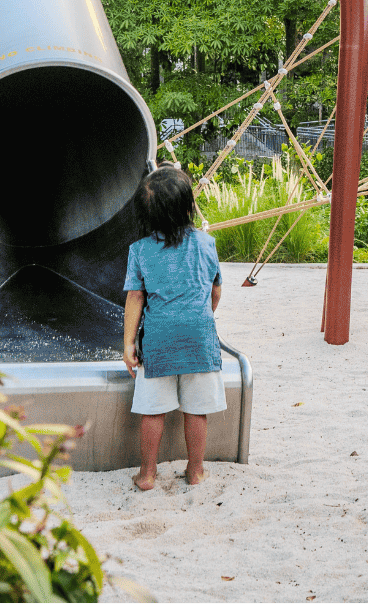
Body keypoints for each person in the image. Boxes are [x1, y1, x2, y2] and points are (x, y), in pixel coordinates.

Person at [123, 165, 224, 491]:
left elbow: (136, 298)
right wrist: (200, 316)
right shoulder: (207, 243)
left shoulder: (139, 251)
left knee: (152, 412)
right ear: (188, 207)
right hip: (200, 340)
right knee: (196, 411)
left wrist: (128, 344)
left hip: (159, 341)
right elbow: (216, 290)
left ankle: (148, 474)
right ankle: (195, 471)